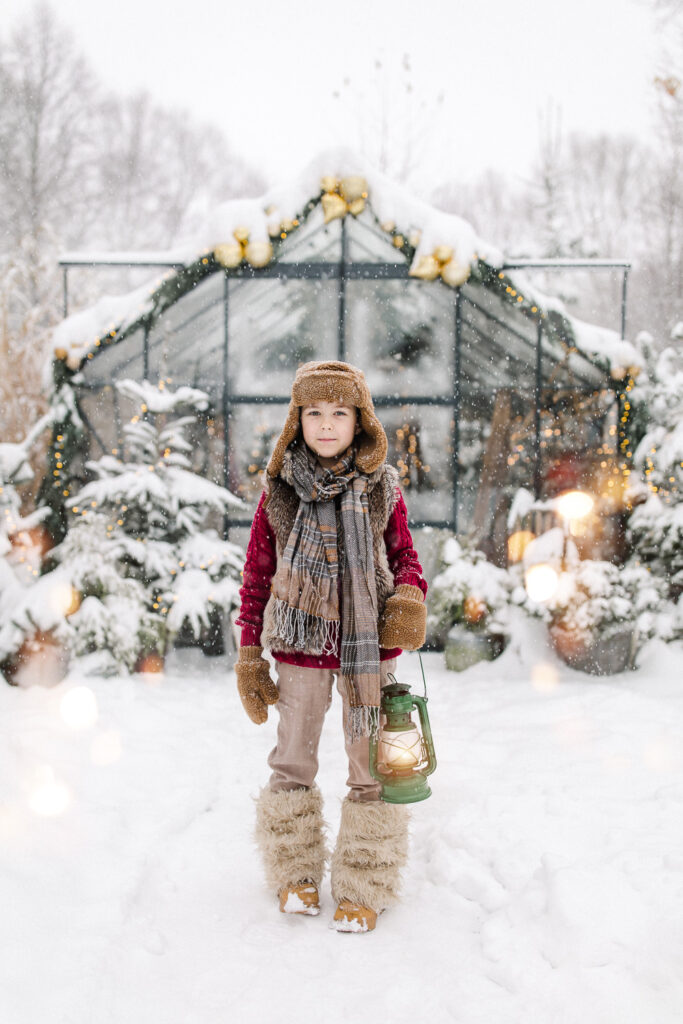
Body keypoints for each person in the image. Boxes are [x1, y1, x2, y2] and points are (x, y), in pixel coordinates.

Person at [234, 360, 427, 933]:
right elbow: (256, 579)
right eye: (313, 413)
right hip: (299, 648)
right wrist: (250, 656)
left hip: (369, 651)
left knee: (372, 769)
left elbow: (404, 559)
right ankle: (295, 873)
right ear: (297, 421)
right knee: (292, 759)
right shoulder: (280, 494)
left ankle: (364, 883)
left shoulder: (383, 490)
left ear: (359, 421)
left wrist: (409, 599)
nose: (325, 424)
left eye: (338, 412)